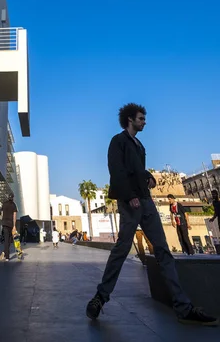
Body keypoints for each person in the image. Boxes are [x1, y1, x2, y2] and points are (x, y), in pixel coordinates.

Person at [86, 103, 218, 326]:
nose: (144, 122)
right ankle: (100, 298)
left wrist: (151, 178)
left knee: (163, 250)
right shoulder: (118, 142)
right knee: (122, 248)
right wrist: (129, 196)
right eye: (141, 118)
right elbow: (116, 170)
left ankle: (183, 307)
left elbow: (138, 170)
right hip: (131, 202)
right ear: (130, 119)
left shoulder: (139, 145)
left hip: (146, 202)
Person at [0, 192, 17, 261]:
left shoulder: (4, 204)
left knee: (8, 240)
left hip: (4, 223)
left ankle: (4, 252)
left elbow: (1, 214)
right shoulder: (13, 205)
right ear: (12, 198)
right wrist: (14, 226)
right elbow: (14, 216)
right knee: (8, 240)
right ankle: (7, 257)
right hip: (10, 224)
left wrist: (2, 221)